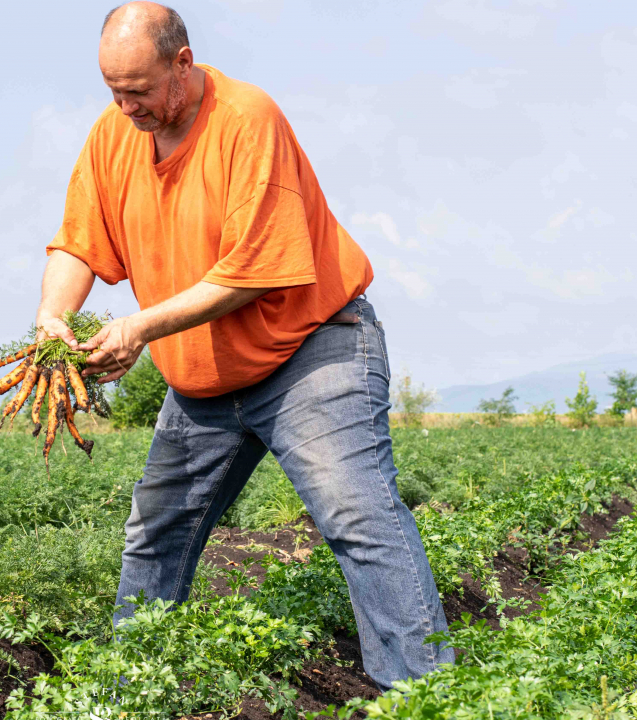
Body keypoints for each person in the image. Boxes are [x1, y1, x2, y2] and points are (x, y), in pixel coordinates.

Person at [33, 1, 453, 689]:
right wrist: (53, 315)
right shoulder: (113, 137)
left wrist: (138, 327)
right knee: (157, 532)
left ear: (182, 65)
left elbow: (254, 273)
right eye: (112, 90)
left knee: (357, 515)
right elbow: (78, 242)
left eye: (137, 90)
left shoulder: (245, 120)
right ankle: (134, 688)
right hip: (205, 381)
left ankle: (422, 695)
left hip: (309, 353)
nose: (124, 106)